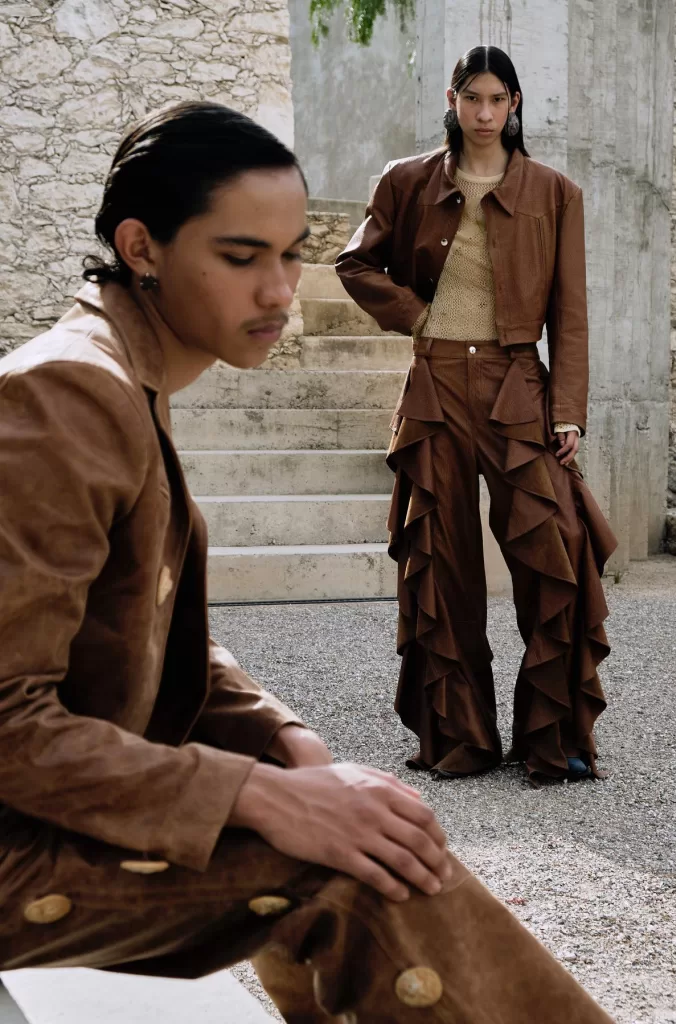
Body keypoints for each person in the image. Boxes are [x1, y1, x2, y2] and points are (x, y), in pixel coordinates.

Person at [0, 101, 615, 1022]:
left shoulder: (122, 376)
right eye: (241, 257)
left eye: (290, 256)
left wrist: (280, 741)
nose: (279, 291)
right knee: (360, 872)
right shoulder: (68, 394)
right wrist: (256, 796)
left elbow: (136, 622)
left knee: (363, 827)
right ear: (141, 246)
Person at [336, 46, 618, 789]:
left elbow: (571, 314)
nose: (485, 113)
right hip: (434, 386)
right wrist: (417, 314)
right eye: (473, 99)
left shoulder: (555, 192)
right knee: (441, 560)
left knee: (557, 548)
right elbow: (354, 263)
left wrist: (569, 411)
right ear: (452, 99)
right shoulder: (406, 180)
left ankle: (551, 735)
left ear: (515, 103)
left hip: (516, 383)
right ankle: (461, 735)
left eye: (498, 99)